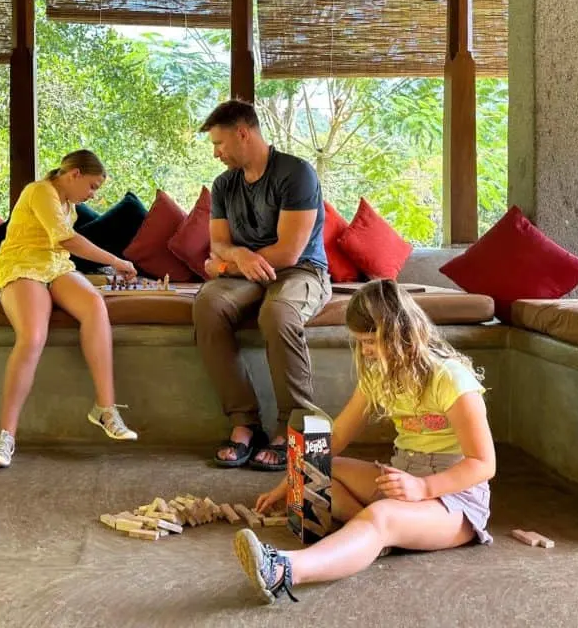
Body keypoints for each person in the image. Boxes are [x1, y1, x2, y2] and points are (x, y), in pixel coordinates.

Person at [232, 279, 495, 604]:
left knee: (381, 516)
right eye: (360, 342)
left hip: (455, 500)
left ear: (400, 333)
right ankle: (372, 539)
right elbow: (338, 436)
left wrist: (424, 489)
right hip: (402, 477)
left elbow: (484, 464)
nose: (366, 351)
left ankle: (284, 570)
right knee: (317, 470)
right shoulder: (378, 374)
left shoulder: (450, 378)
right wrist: (290, 482)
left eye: (371, 341)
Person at [193, 99, 332, 470]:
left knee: (278, 313)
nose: (216, 153)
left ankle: (293, 428)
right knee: (208, 304)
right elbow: (218, 244)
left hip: (301, 271)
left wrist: (222, 264)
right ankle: (244, 423)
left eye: (219, 144)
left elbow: (287, 253)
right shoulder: (224, 184)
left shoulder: (296, 173)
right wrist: (236, 258)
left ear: (243, 133)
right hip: (245, 272)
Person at [0, 150, 139, 469]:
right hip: (22, 265)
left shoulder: (71, 205)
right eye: (93, 186)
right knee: (33, 335)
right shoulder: (39, 190)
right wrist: (117, 261)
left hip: (55, 268)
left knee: (95, 305)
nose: (93, 194)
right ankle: (5, 437)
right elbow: (65, 239)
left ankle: (105, 408)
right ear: (74, 174)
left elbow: (61, 250)